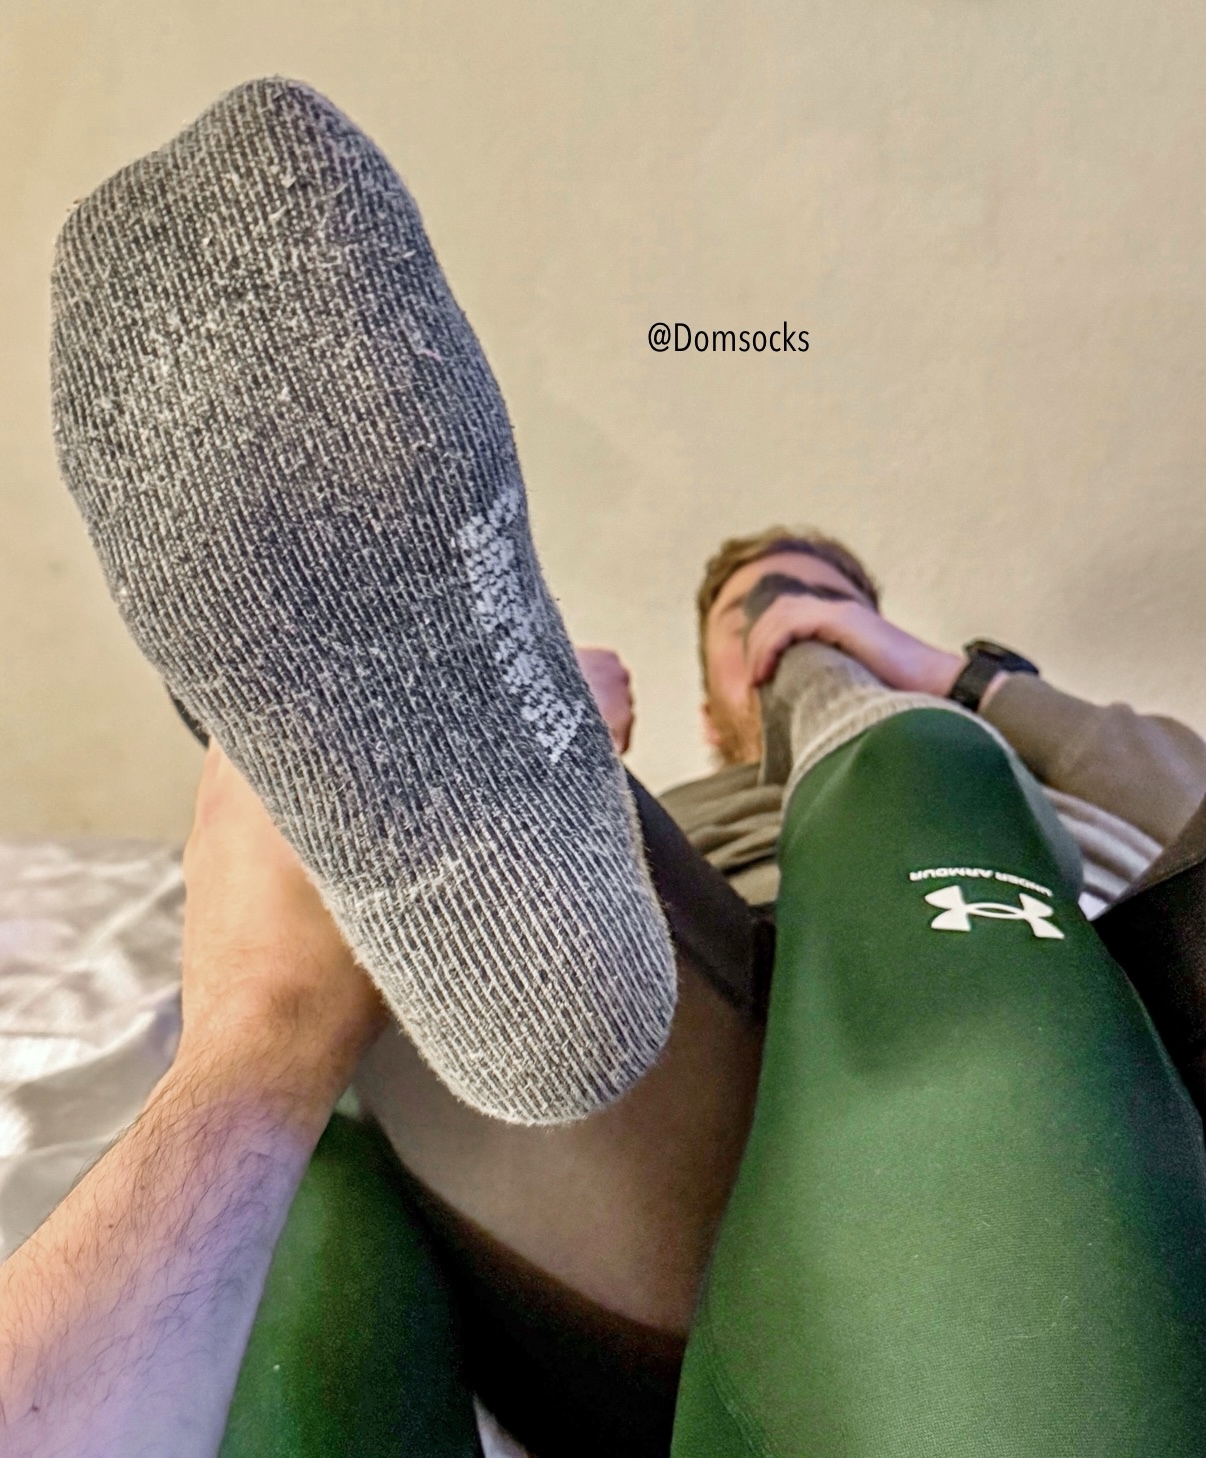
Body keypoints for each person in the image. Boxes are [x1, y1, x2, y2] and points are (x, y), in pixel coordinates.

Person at [6, 76, 1206, 1458]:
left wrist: (951, 681)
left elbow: (1178, 793)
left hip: (1094, 991)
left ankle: (430, 769)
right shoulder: (689, 813)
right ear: (708, 699)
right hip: (705, 1117)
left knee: (911, 779)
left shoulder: (1009, 724)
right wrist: (595, 754)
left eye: (820, 595)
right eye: (751, 614)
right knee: (538, 928)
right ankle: (475, 766)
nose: (788, 622)